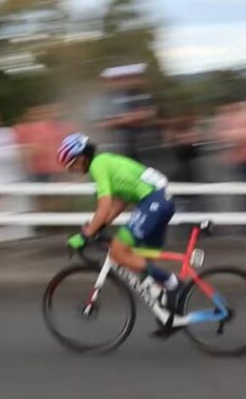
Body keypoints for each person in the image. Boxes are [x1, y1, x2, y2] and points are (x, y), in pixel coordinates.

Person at [59, 133, 180, 332]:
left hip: (154, 201)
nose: (71, 169)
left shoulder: (98, 165)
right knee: (140, 259)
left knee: (118, 251)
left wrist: (85, 235)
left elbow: (105, 205)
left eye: (70, 164)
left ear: (80, 157)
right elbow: (119, 203)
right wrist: (96, 227)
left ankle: (174, 285)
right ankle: (170, 312)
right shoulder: (107, 162)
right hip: (160, 201)